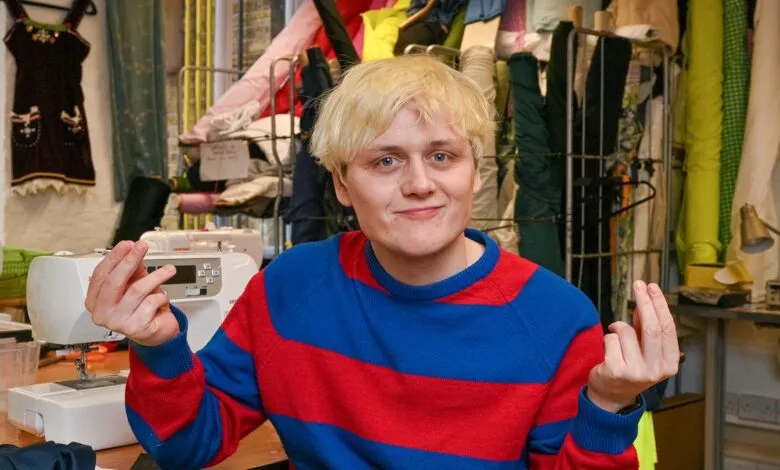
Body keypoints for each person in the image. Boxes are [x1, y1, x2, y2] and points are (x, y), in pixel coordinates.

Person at [86, 54, 679, 469]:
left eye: (442, 156)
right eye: (385, 162)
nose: (420, 184)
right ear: (342, 184)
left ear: (476, 173)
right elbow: (186, 447)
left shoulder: (554, 318)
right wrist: (158, 346)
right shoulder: (289, 287)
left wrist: (606, 404)